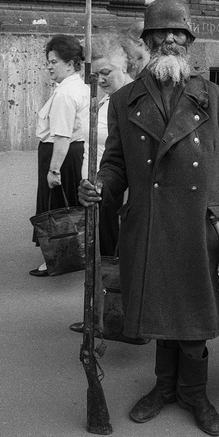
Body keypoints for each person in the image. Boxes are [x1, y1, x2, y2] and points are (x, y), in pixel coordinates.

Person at [78, 0, 219, 436]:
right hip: (149, 221)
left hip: (199, 224)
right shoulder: (123, 100)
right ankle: (164, 387)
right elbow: (116, 163)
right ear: (148, 42)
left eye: (178, 33)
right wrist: (100, 185)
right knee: (158, 305)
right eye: (160, 33)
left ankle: (194, 393)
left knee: (193, 312)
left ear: (189, 42)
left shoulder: (217, 99)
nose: (170, 39)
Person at [69, 30, 134, 331]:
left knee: (116, 256)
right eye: (95, 74)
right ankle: (104, 314)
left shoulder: (134, 103)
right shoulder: (105, 100)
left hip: (120, 193)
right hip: (98, 188)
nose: (101, 80)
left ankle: (117, 316)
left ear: (127, 66)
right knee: (100, 253)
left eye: (106, 72)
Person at [30, 34, 90, 276]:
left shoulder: (66, 93)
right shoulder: (79, 87)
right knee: (71, 208)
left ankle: (55, 258)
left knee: (55, 207)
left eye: (54, 61)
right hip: (73, 154)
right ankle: (76, 252)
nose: (49, 66)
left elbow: (62, 136)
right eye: (48, 61)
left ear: (70, 63)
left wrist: (54, 170)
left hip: (60, 155)